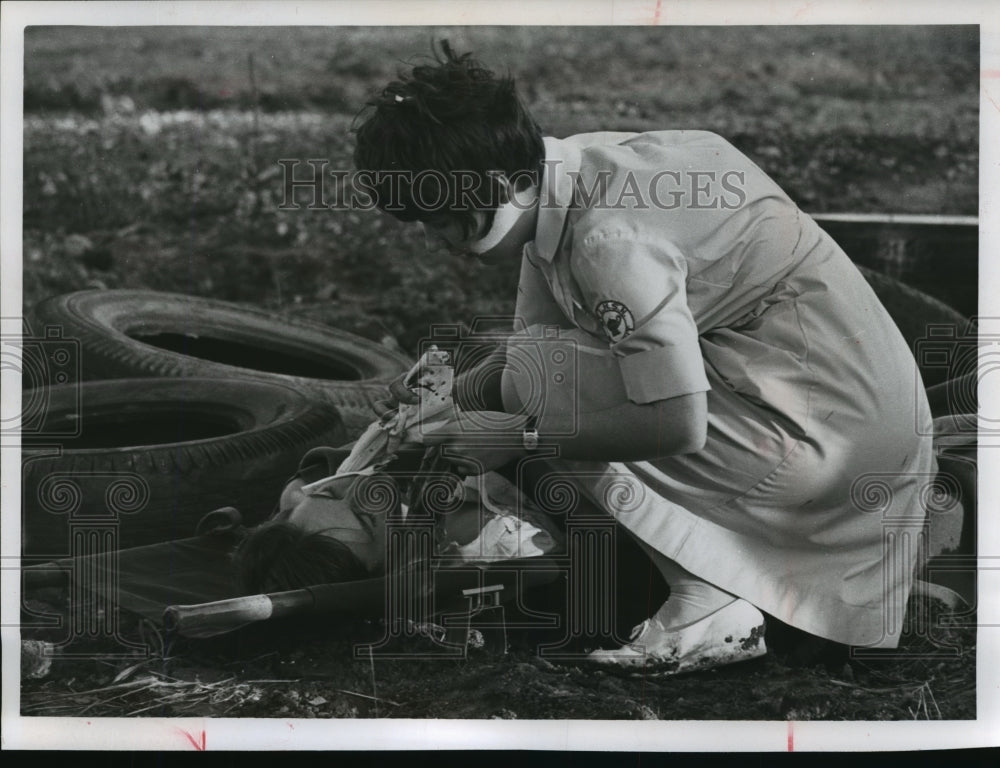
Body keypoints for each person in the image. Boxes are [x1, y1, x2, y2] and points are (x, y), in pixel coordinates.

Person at [351, 41, 937, 672]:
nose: (439, 243)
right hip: (851, 412)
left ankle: (708, 600)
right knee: (535, 381)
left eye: (441, 221)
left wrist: (513, 436)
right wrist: (441, 400)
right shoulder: (575, 171)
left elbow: (674, 425)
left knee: (544, 406)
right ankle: (705, 572)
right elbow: (530, 354)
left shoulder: (610, 239)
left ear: (494, 184)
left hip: (830, 448)